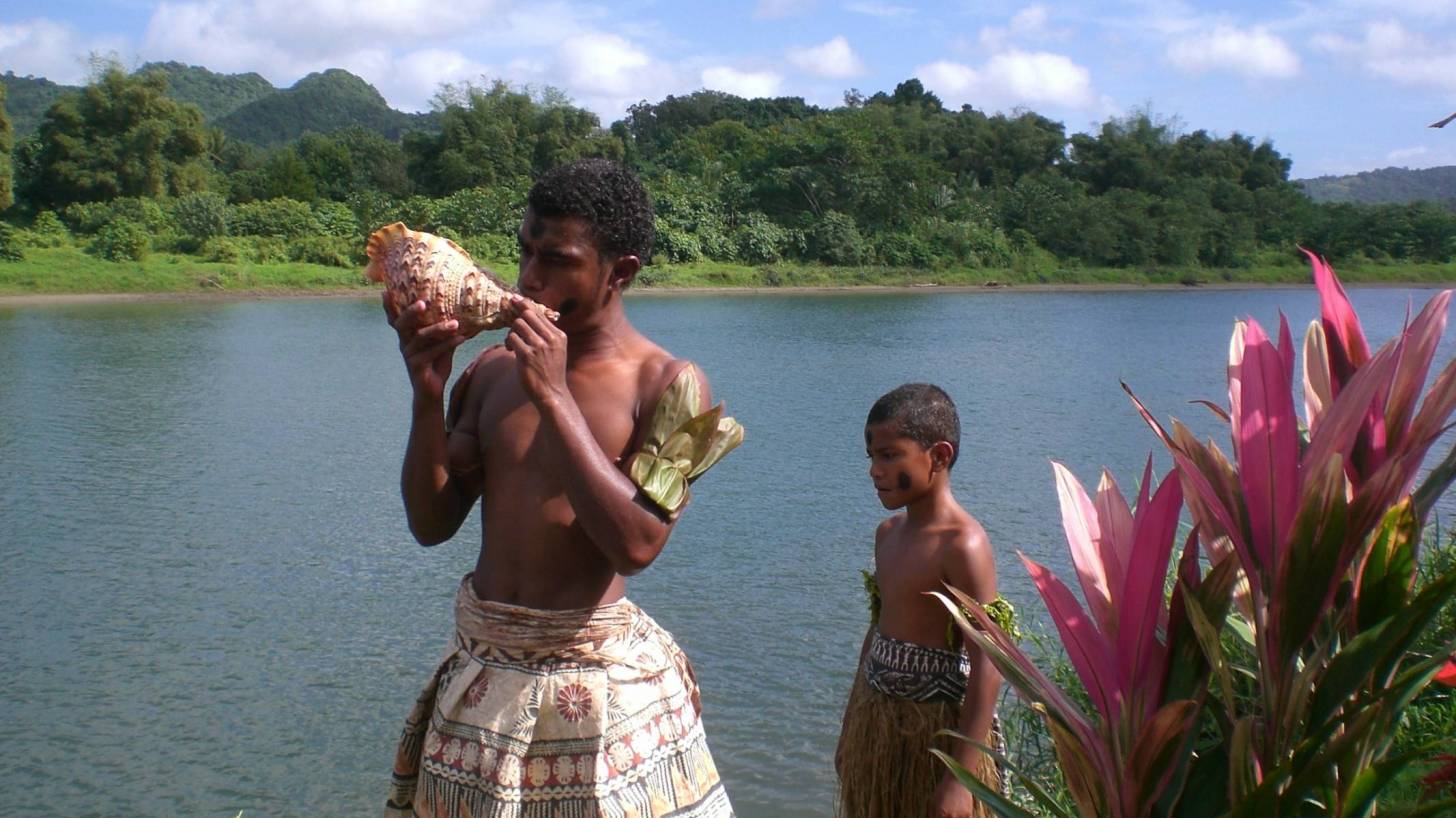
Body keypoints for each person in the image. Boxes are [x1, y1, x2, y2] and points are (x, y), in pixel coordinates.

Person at [382, 158, 742, 818]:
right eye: (524, 251)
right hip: (485, 680)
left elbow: (637, 544)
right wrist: (427, 396)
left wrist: (554, 395)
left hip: (599, 695)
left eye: (557, 259)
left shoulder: (665, 384)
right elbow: (431, 523)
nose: (529, 277)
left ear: (620, 272)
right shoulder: (491, 373)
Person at [835, 384, 1003, 818]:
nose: (875, 470)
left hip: (937, 739)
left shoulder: (963, 546)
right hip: (878, 726)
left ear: (939, 456)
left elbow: (988, 663)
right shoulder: (888, 535)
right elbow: (879, 627)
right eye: (871, 457)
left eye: (890, 455)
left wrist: (959, 781)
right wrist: (851, 725)